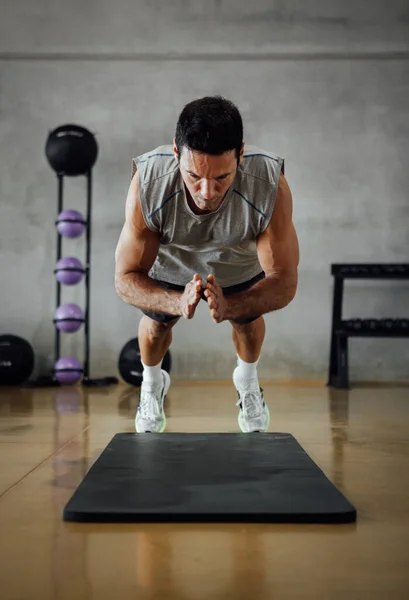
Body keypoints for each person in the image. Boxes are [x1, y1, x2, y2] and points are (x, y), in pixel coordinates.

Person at [115, 95, 299, 434]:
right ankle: (152, 385)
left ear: (240, 154)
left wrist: (232, 306)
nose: (207, 191)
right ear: (176, 152)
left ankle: (247, 381)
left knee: (247, 321)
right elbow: (126, 277)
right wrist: (174, 302)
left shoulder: (268, 182)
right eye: (194, 176)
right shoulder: (150, 181)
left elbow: (284, 279)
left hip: (237, 260)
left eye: (221, 178)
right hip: (171, 260)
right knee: (157, 325)